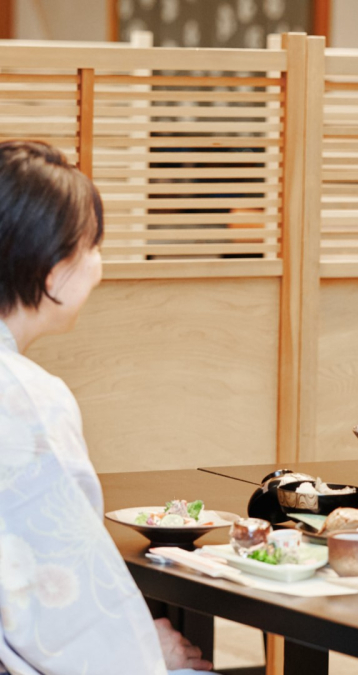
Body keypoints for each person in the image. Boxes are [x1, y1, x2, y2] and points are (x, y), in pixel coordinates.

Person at [0, 140, 213, 674]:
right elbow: (63, 599)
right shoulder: (24, 399)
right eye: (92, 248)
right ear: (51, 271)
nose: (99, 267)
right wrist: (148, 651)